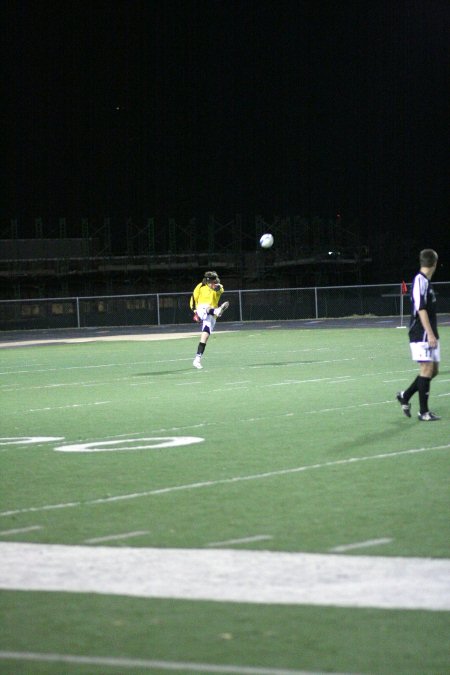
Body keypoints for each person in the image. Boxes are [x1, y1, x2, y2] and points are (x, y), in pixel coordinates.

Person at [397, 249, 440, 421]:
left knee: (433, 370)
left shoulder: (426, 282)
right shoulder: (419, 281)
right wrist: (429, 334)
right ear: (434, 263)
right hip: (421, 333)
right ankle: (424, 412)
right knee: (427, 369)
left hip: (430, 333)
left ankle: (405, 396)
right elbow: (420, 309)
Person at [190, 271, 229, 369]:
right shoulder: (200, 286)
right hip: (201, 309)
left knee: (205, 337)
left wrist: (217, 287)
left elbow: (220, 289)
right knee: (206, 306)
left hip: (211, 315)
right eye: (212, 282)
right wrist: (195, 312)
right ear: (207, 281)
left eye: (215, 281)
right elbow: (193, 299)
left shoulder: (218, 287)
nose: (214, 283)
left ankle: (197, 359)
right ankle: (217, 311)